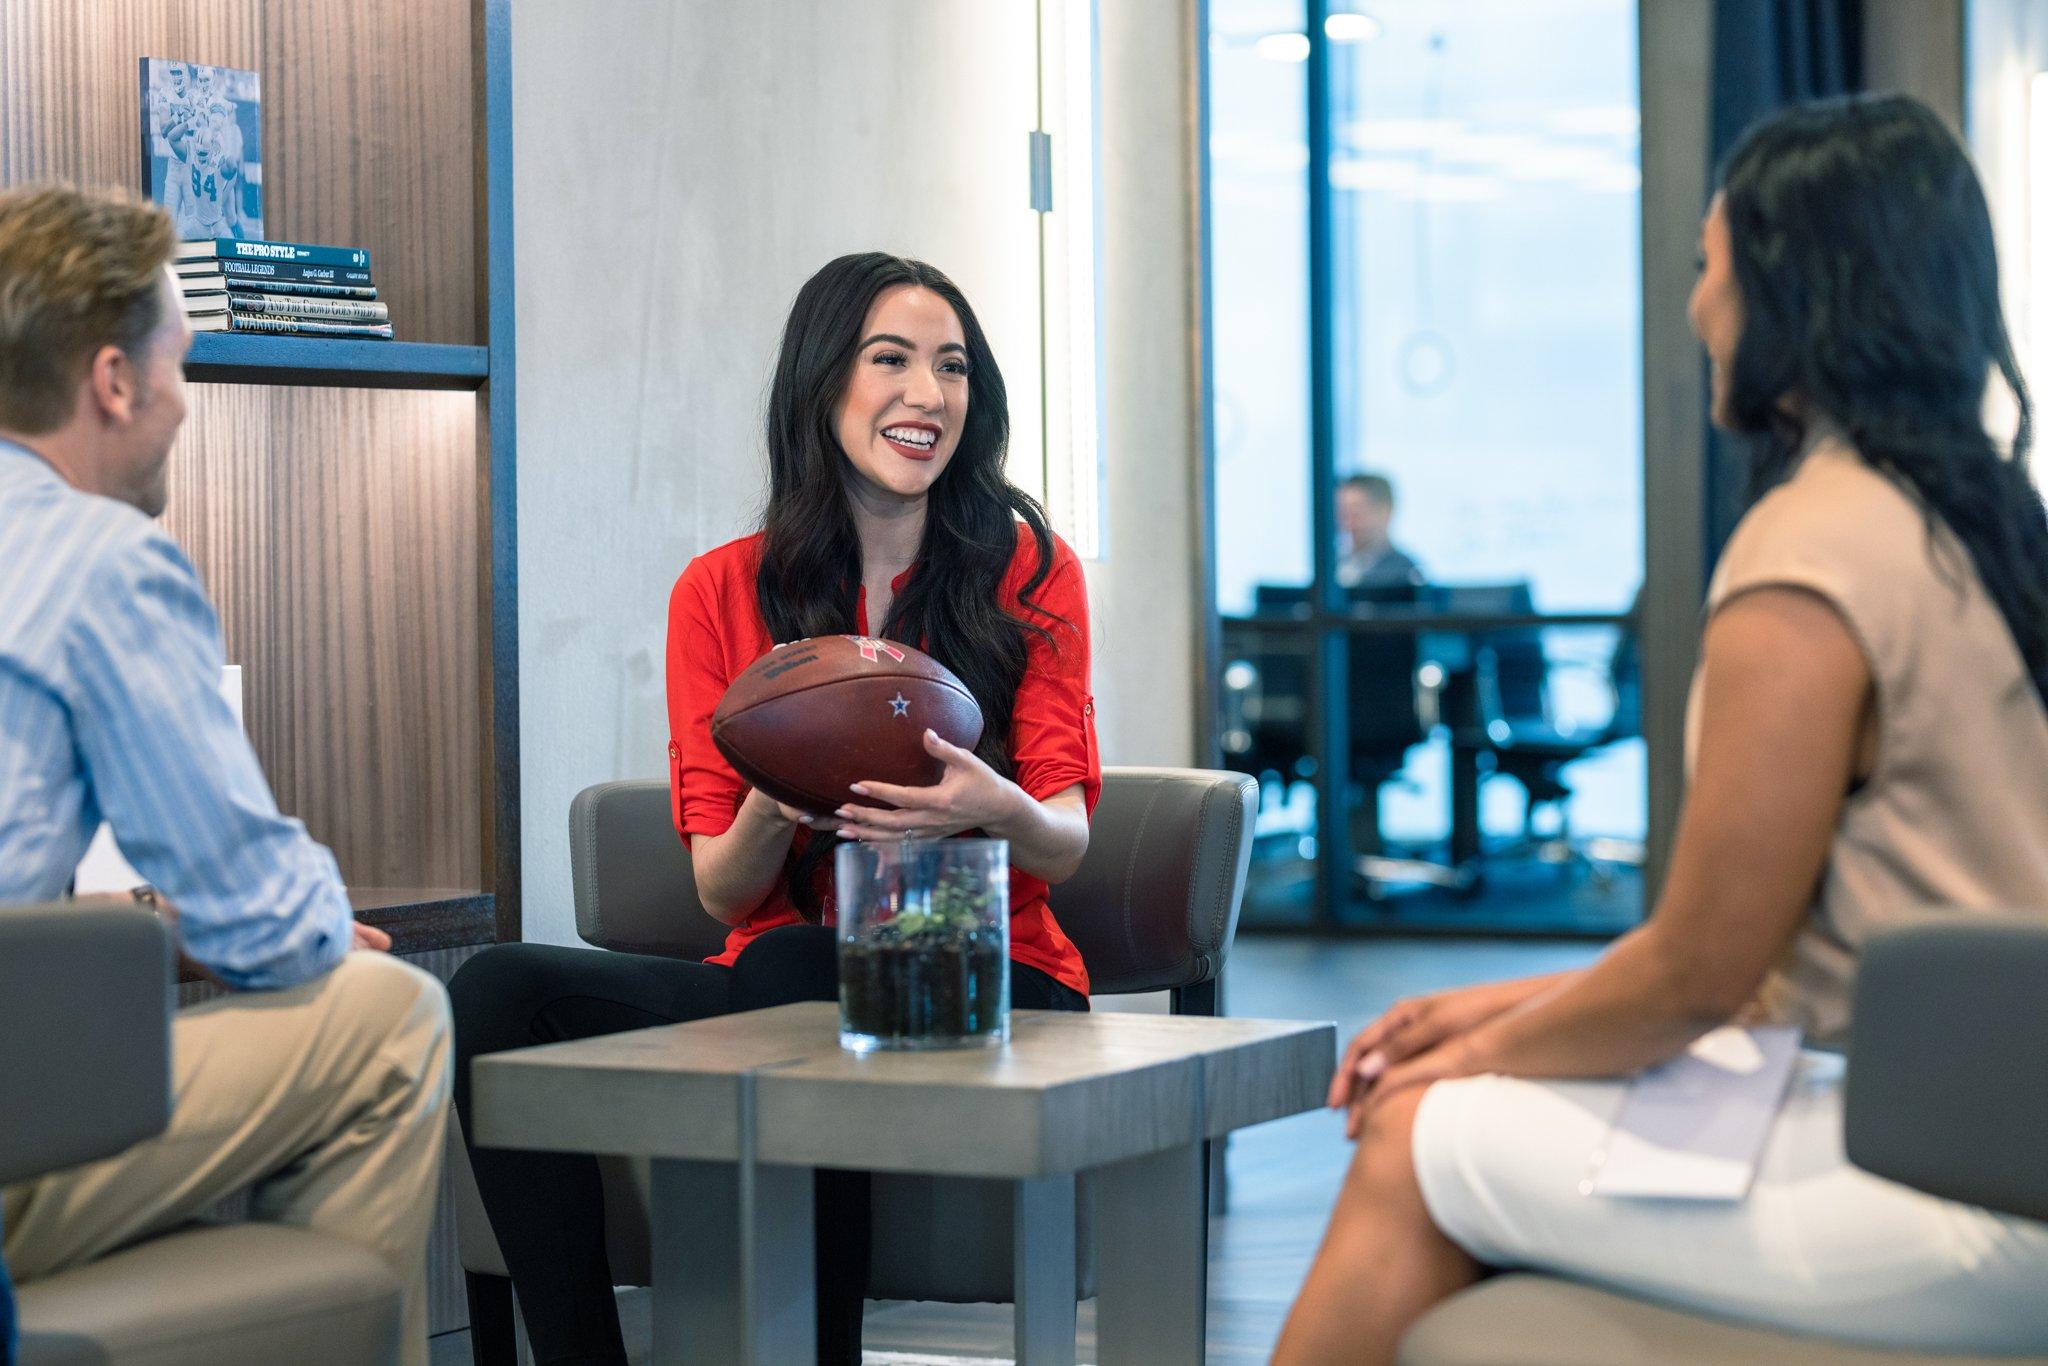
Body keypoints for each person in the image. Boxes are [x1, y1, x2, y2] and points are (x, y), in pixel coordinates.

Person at [1275, 94, 2048, 1365]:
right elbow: (1763, 954)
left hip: (1968, 1192)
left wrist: (1471, 1057)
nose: (1695, 306)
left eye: (1708, 264)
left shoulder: (1806, 555)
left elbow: (1698, 975)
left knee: (1412, 1131)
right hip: (1993, 1135)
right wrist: (1496, 1012)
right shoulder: (1985, 527)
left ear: (1795, 289)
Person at [451, 251, 1100, 1365]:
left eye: (949, 368)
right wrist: (780, 784)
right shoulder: (718, 590)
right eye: (888, 360)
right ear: (821, 385)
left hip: (991, 973)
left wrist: (984, 805)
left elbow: (1067, 839)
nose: (926, 396)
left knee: (800, 969)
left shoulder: (1031, 572)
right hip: (773, 979)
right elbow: (721, 887)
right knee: (502, 988)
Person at [0, 185, 451, 1364]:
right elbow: (268, 924)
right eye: (180, 366)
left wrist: (149, 929)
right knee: (390, 1013)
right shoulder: (98, 560)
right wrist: (270, 923)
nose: (183, 405)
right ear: (112, 380)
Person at [1335, 472, 1422, 590]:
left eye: (1357, 512)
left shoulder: (1404, 572)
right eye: (1344, 513)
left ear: (1385, 512)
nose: (1348, 522)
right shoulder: (1335, 566)